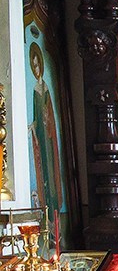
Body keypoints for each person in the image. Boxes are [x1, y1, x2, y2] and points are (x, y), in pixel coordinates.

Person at [28, 43, 63, 216]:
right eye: (33, 66)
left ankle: (55, 208)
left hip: (49, 136)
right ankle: (46, 209)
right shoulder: (35, 90)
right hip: (41, 136)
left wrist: (48, 123)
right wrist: (32, 127)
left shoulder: (46, 89)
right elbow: (35, 115)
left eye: (37, 65)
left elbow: (49, 112)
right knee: (44, 173)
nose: (36, 69)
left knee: (51, 169)